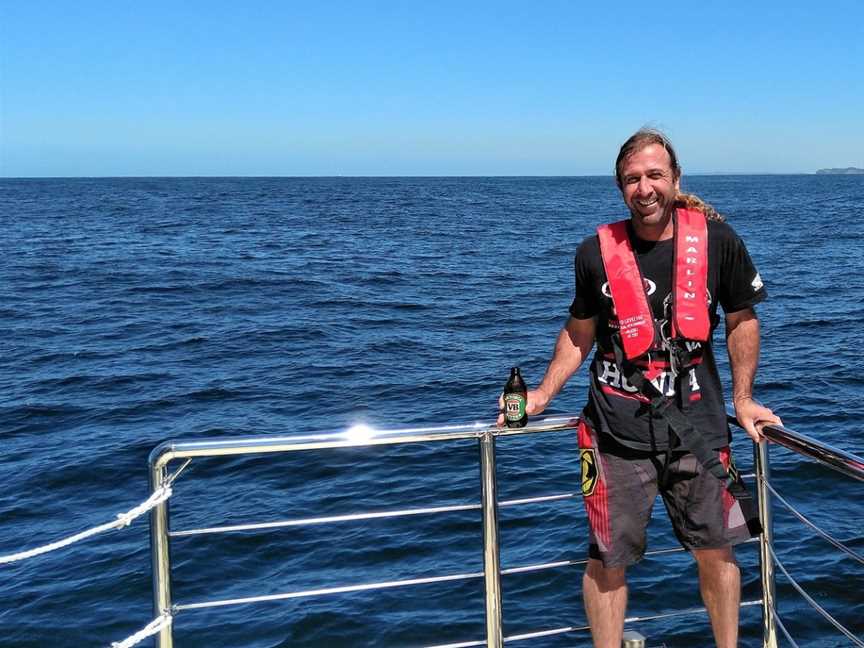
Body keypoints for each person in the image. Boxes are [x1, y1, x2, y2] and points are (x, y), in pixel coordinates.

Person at [500, 129, 781, 648]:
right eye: (633, 179)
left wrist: (743, 399)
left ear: (676, 180)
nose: (644, 188)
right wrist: (541, 394)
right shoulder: (594, 253)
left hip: (700, 433)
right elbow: (579, 330)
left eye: (655, 175)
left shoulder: (719, 242)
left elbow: (743, 319)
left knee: (718, 552)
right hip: (614, 437)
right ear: (619, 187)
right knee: (606, 559)